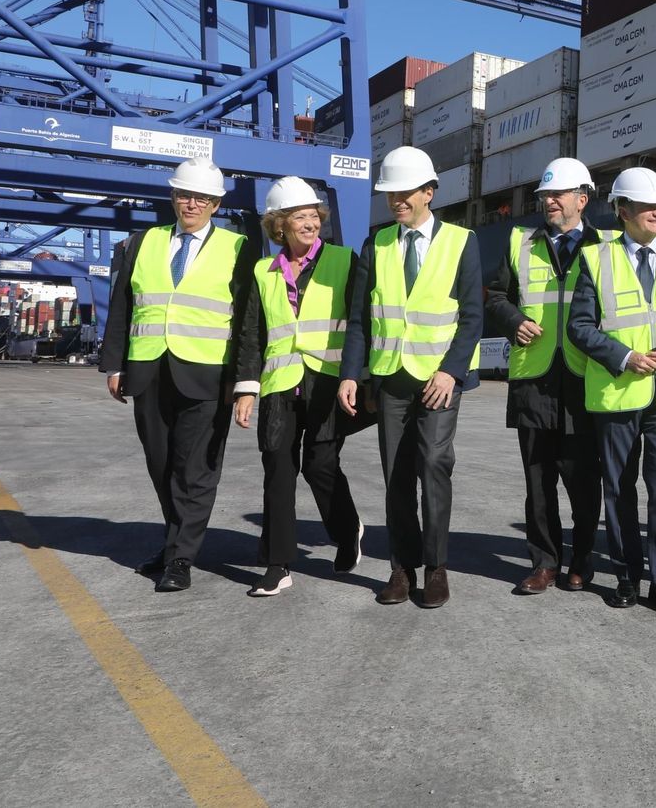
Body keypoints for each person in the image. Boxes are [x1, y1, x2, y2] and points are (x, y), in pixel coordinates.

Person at [100, 157, 258, 592]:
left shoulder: (239, 248)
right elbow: (123, 305)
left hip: (207, 374)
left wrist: (246, 381)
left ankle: (181, 558)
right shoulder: (142, 242)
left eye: (202, 198)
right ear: (173, 197)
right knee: (161, 465)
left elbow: (248, 319)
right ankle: (174, 543)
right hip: (148, 369)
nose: (192, 204)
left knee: (195, 470)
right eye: (185, 195)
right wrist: (115, 364)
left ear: (216, 204)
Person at [338, 146, 482, 609]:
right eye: (390, 193)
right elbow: (360, 320)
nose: (396, 200)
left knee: (434, 464)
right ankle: (402, 567)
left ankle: (437, 568)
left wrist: (451, 372)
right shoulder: (375, 244)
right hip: (391, 378)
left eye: (404, 192)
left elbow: (472, 317)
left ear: (428, 192)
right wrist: (350, 375)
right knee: (396, 476)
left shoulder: (462, 241)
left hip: (439, 379)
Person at [567, 167, 656, 615]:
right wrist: (625, 357)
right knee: (618, 488)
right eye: (649, 206)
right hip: (618, 392)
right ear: (622, 210)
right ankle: (627, 575)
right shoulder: (595, 259)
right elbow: (579, 327)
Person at [486, 157, 615, 595]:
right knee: (538, 481)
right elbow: (496, 296)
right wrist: (514, 320)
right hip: (534, 379)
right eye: (545, 196)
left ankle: (582, 559)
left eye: (558, 194)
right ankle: (544, 564)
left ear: (583, 199)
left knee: (584, 480)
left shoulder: (607, 245)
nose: (549, 202)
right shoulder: (520, 242)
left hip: (585, 377)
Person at [232, 176, 362, 598]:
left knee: (320, 466)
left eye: (313, 216)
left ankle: (347, 531)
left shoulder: (344, 260)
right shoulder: (262, 271)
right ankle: (278, 564)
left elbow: (360, 323)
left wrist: (357, 376)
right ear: (279, 225)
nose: (309, 224)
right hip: (279, 383)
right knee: (278, 468)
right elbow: (251, 333)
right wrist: (246, 388)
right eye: (299, 217)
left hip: (327, 381)